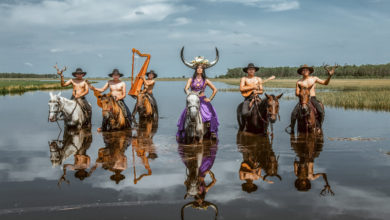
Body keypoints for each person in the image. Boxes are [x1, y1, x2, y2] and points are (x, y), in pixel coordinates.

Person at [177, 50, 220, 140]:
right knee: (184, 113)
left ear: (203, 70)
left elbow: (215, 89)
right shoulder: (191, 79)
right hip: (193, 99)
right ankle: (181, 130)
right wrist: (188, 93)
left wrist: (210, 99)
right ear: (195, 69)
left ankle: (212, 132)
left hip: (203, 99)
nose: (199, 69)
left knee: (210, 113)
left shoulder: (206, 80)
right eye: (198, 68)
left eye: (201, 68)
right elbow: (186, 88)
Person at [288, 64, 336, 133]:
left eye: (306, 70)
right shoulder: (299, 82)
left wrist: (330, 76)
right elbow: (296, 93)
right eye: (303, 70)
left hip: (312, 98)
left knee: (321, 111)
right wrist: (303, 93)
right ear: (301, 72)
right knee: (293, 114)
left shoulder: (314, 78)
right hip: (303, 100)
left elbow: (325, 83)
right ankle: (292, 129)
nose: (305, 71)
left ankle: (319, 127)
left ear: (309, 71)